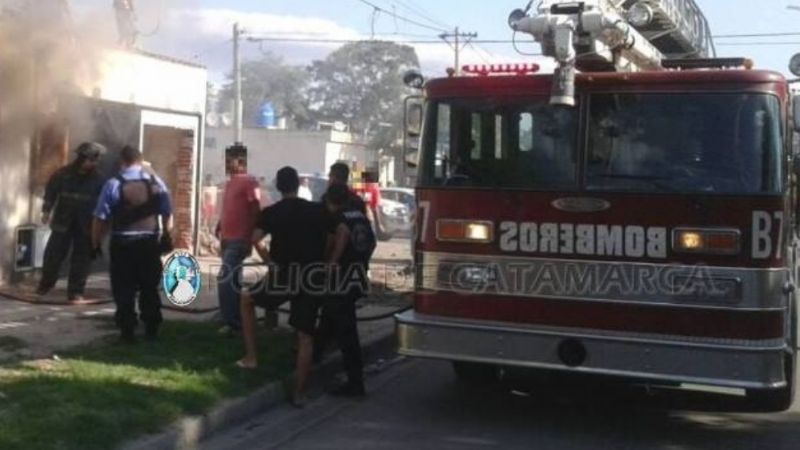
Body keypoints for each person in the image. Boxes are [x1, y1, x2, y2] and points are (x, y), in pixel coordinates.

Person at [237, 167, 331, 406]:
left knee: (247, 299)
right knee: (305, 336)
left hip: (284, 275)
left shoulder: (272, 213)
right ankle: (299, 394)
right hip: (312, 276)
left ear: (278, 187)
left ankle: (251, 357)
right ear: (298, 185)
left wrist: (270, 263)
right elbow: (333, 236)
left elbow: (255, 240)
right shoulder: (317, 210)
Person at [91, 146, 172, 343]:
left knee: (123, 289)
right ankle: (152, 329)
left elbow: (99, 218)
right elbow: (167, 212)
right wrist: (167, 236)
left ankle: (127, 332)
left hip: (123, 244)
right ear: (140, 161)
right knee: (149, 287)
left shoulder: (113, 184)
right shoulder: (156, 182)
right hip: (149, 243)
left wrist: (95, 243)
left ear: (122, 161)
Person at [321, 184, 376, 398]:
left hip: (342, 279)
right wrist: (361, 261)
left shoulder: (340, 219)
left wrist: (331, 262)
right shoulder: (360, 216)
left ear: (330, 201)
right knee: (339, 322)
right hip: (358, 275)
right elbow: (371, 243)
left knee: (346, 333)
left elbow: (340, 238)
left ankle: (355, 385)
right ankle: (319, 351)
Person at [37, 142, 106, 302]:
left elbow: (104, 202)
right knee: (53, 255)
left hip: (86, 224)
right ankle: (45, 284)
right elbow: (51, 192)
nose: (94, 163)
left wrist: (100, 225)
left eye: (96, 160)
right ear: (82, 158)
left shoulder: (99, 180)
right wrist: (46, 211)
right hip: (63, 220)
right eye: (92, 160)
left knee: (82, 258)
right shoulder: (62, 174)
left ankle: (75, 291)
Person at [216, 153, 261, 336]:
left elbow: (255, 208)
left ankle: (233, 322)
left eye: (231, 160)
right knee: (233, 280)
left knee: (225, 278)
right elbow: (230, 208)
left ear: (241, 162)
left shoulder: (249, 181)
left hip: (239, 239)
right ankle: (236, 318)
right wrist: (220, 225)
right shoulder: (230, 183)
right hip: (227, 238)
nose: (228, 164)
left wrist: (249, 236)